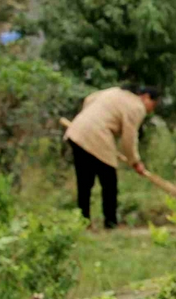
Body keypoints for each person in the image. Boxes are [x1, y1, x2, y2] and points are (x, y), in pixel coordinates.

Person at [64, 85, 158, 228]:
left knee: (84, 182)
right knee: (109, 182)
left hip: (77, 131)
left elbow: (89, 99)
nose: (152, 109)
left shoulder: (114, 91)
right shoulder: (137, 107)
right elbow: (129, 137)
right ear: (145, 97)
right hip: (97, 134)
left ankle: (83, 221)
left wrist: (90, 119)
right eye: (153, 104)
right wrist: (135, 161)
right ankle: (110, 222)